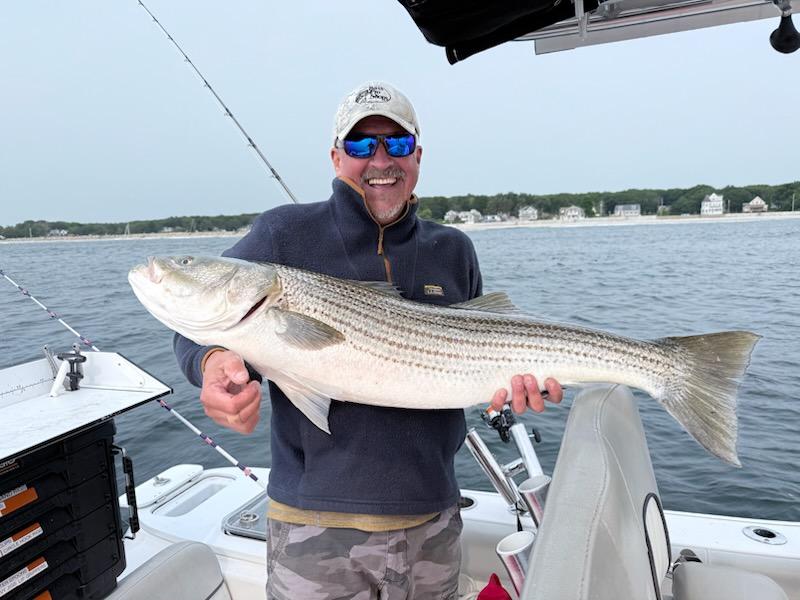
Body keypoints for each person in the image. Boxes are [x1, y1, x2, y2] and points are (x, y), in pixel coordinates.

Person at [173, 81, 563, 600]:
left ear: (417, 156)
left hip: (433, 519)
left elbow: (483, 355)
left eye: (397, 143)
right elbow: (197, 326)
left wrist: (512, 390)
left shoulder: (454, 249)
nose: (381, 160)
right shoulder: (284, 234)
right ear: (337, 157)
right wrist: (213, 362)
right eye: (361, 144)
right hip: (313, 526)